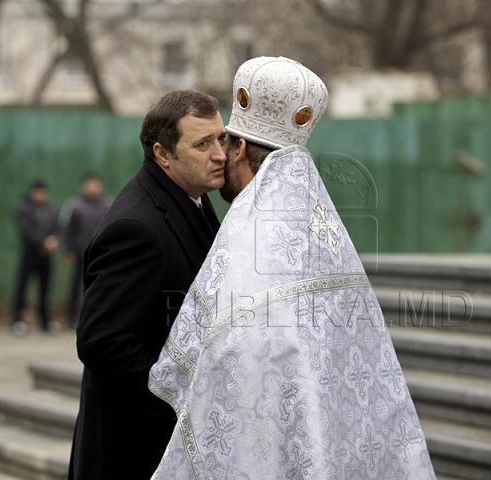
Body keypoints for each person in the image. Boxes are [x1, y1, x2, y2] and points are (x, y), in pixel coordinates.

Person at [149, 57, 437, 479]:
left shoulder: (249, 232)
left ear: (240, 148)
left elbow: (230, 354)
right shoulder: (324, 230)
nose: (218, 155)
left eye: (224, 143)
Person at [68, 90, 225, 480]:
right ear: (163, 154)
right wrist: (175, 400)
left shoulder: (192, 198)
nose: (220, 154)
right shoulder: (136, 228)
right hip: (135, 452)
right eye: (202, 143)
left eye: (221, 138)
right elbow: (101, 340)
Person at [60, 172, 112, 328]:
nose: (92, 187)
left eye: (95, 184)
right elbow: (67, 229)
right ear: (83, 186)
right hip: (80, 254)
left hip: (101, 254)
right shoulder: (74, 205)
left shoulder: (108, 205)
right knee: (76, 288)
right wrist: (68, 250)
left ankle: (99, 321)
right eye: (89, 184)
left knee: (101, 288)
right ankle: (71, 319)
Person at [11, 180, 60, 335]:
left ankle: (44, 321)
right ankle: (17, 320)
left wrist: (54, 241)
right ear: (32, 192)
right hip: (30, 254)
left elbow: (58, 227)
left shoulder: (51, 208)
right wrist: (43, 242)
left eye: (42, 192)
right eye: (36, 192)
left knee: (44, 289)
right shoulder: (24, 208)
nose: (39, 195)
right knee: (23, 287)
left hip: (46, 256)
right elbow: (26, 230)